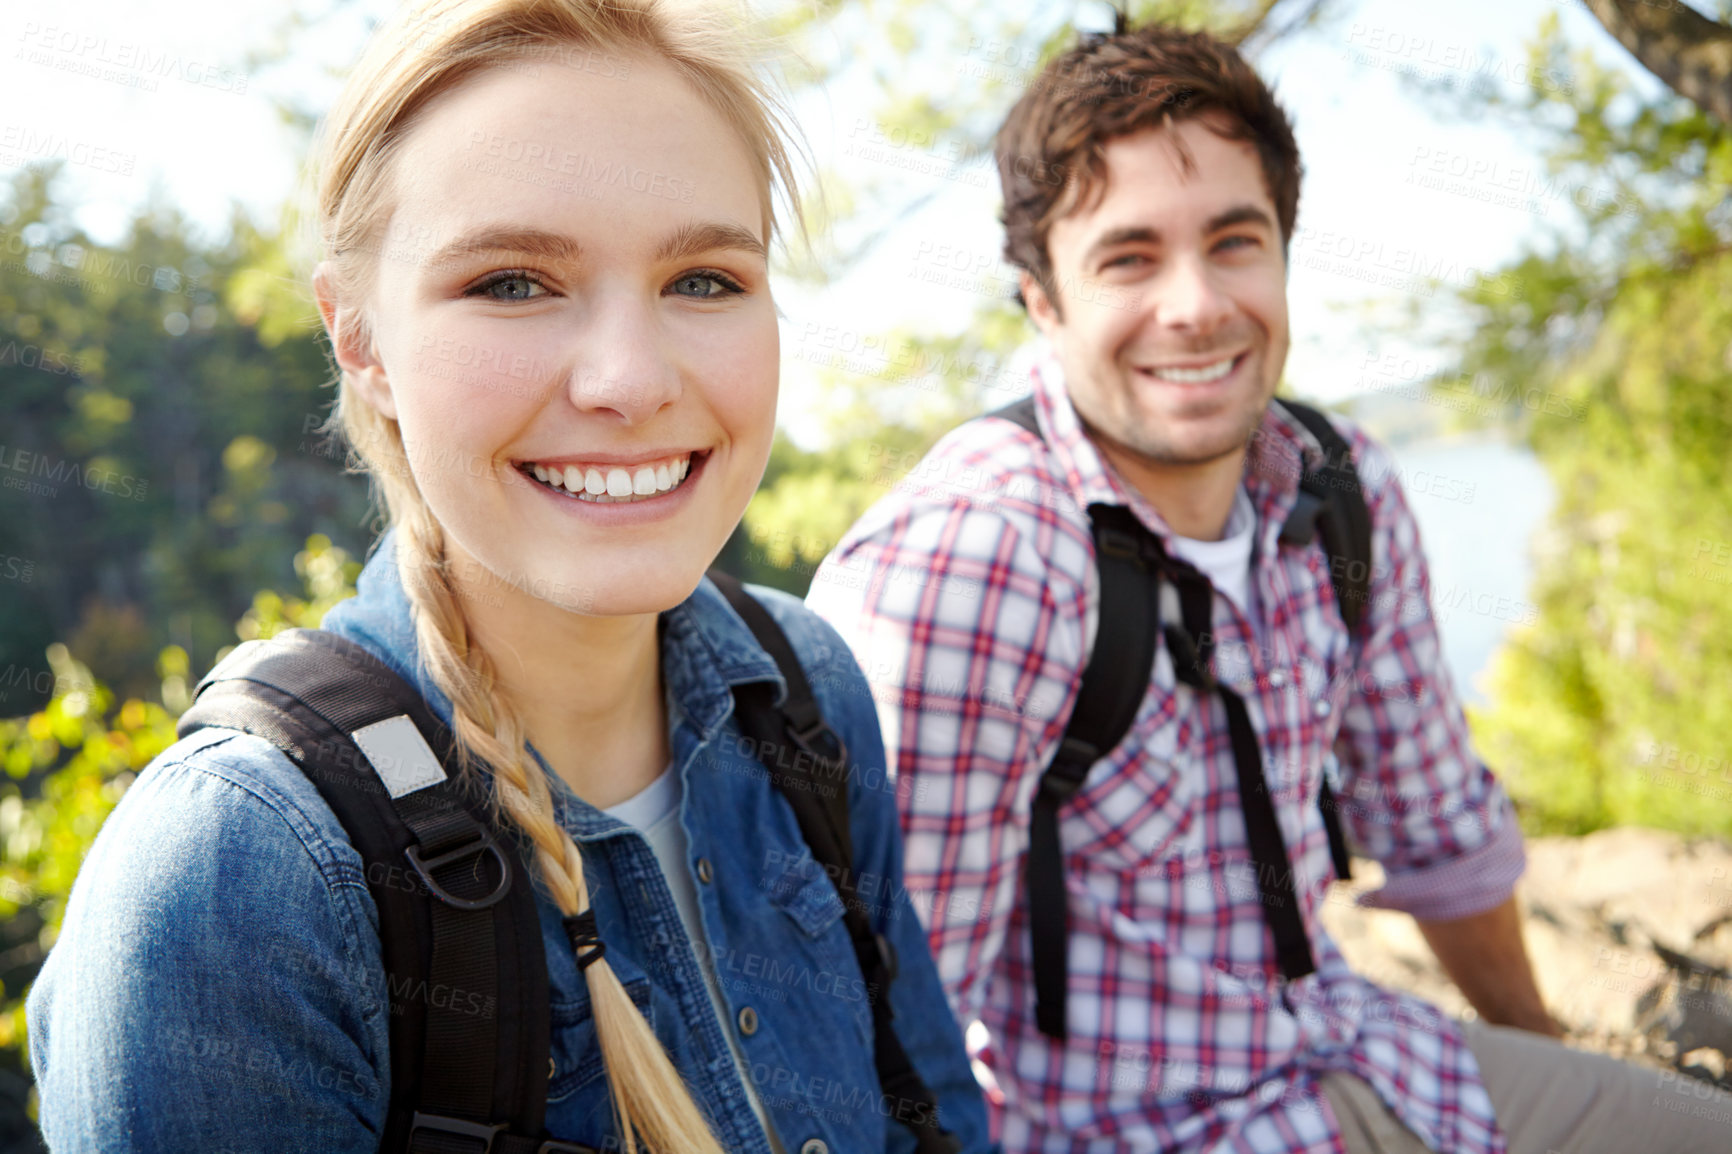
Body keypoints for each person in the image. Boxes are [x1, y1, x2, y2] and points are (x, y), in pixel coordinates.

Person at [24, 2, 994, 1151]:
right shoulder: (238, 879)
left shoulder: (802, 685)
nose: (629, 380)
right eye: (513, 282)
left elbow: (934, 1114)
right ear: (360, 340)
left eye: (704, 279)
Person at [804, 20, 1732, 1154]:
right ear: (1041, 298)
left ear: (1283, 254)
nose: (1193, 304)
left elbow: (1440, 830)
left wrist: (1538, 1068)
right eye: (1128, 257)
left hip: (1356, 1051)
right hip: (1113, 1127)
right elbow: (890, 1030)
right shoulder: (977, 559)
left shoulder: (1339, 489)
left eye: (1233, 241)